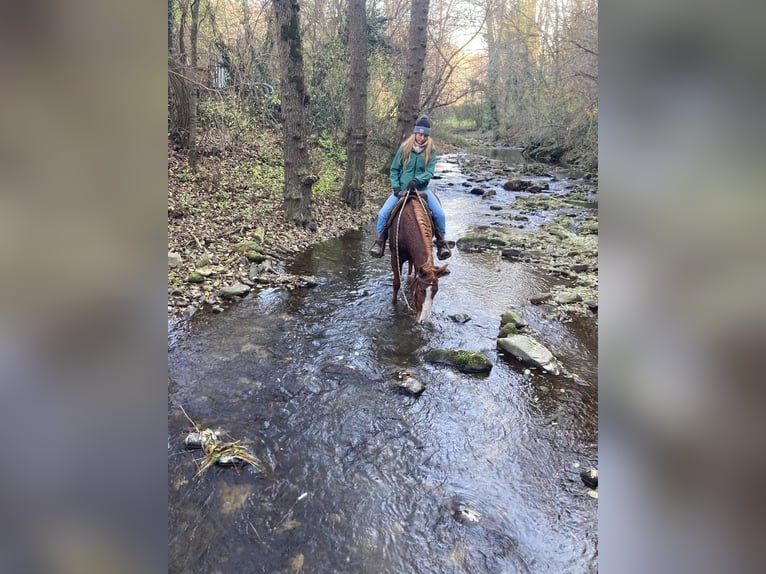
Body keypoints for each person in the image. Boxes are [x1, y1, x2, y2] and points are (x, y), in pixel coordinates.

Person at [369, 115, 451, 260]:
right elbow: (394, 169)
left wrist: (417, 180)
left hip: (422, 189)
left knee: (439, 214)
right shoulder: (404, 148)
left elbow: (430, 171)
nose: (422, 137)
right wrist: (396, 186)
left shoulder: (430, 150)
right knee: (383, 213)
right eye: (420, 134)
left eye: (425, 135)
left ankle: (441, 243)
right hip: (402, 189)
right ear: (415, 133)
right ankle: (380, 242)